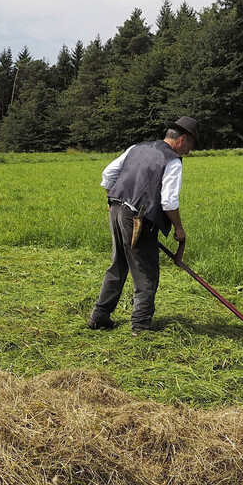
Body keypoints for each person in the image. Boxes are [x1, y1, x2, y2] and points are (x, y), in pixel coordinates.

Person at [88, 116, 199, 336]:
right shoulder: (173, 160)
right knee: (146, 270)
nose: (188, 152)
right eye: (190, 146)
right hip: (139, 220)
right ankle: (140, 325)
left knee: (118, 263)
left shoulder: (136, 148)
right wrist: (179, 228)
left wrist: (113, 200)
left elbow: (108, 175)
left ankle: (100, 315)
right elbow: (168, 202)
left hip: (117, 209)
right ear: (182, 139)